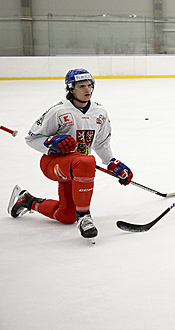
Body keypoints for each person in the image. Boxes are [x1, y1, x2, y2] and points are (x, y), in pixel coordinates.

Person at [8, 68, 133, 243]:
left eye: (90, 85)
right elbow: (32, 138)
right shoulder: (58, 111)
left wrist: (112, 163)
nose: (87, 90)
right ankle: (84, 217)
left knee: (66, 215)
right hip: (53, 163)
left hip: (78, 170)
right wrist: (50, 142)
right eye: (81, 86)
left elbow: (101, 143)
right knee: (86, 161)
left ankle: (27, 201)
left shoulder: (100, 112)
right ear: (71, 89)